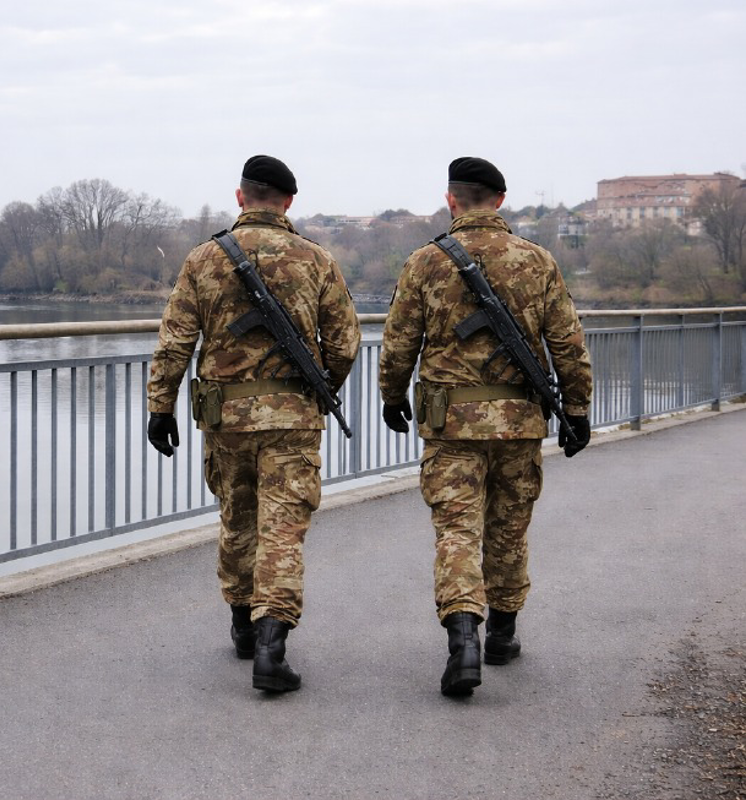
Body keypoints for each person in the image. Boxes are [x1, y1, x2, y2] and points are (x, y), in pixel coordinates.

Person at [378, 156, 593, 697]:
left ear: (452, 200)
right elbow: (567, 343)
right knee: (507, 527)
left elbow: (400, 340)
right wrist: (577, 409)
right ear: (500, 199)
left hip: (450, 424)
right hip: (519, 423)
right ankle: (502, 632)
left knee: (457, 529)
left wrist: (391, 396)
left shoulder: (426, 262)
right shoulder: (537, 261)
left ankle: (463, 638)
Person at [146, 155, 360, 693]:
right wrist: (320, 385)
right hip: (292, 417)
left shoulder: (204, 259)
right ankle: (272, 645)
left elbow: (175, 341)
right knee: (282, 528)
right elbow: (345, 343)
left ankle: (242, 625)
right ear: (288, 202)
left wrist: (160, 407)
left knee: (237, 517)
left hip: (226, 418)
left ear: (240, 197)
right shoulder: (316, 259)